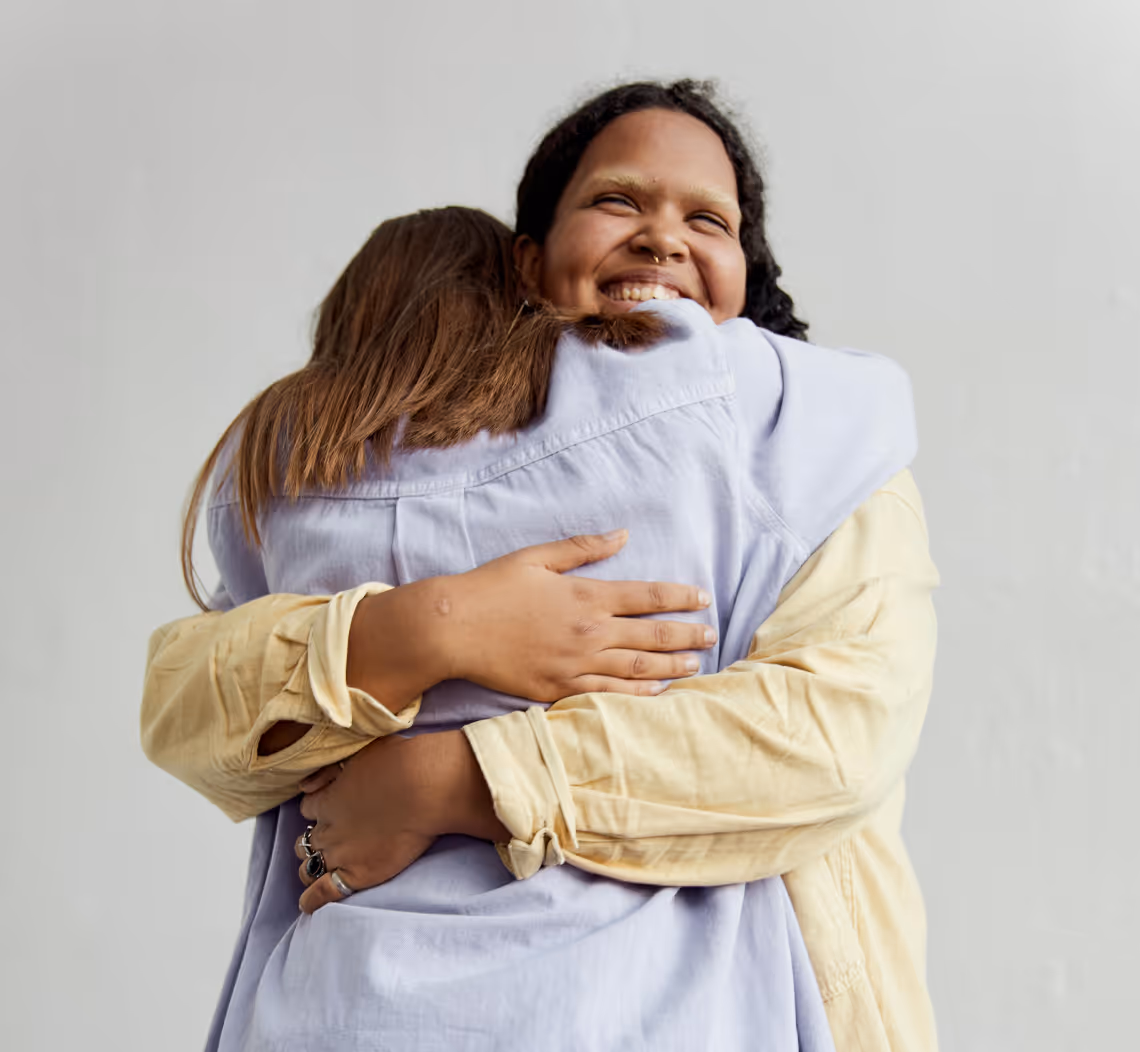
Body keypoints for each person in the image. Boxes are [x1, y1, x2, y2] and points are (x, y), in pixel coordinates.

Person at [142, 80, 938, 1050]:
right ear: (528, 258)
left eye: (707, 220)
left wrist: (455, 777)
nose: (663, 237)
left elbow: (833, 737)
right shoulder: (384, 452)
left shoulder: (803, 438)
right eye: (618, 200)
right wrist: (434, 626)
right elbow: (183, 707)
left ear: (746, 271)